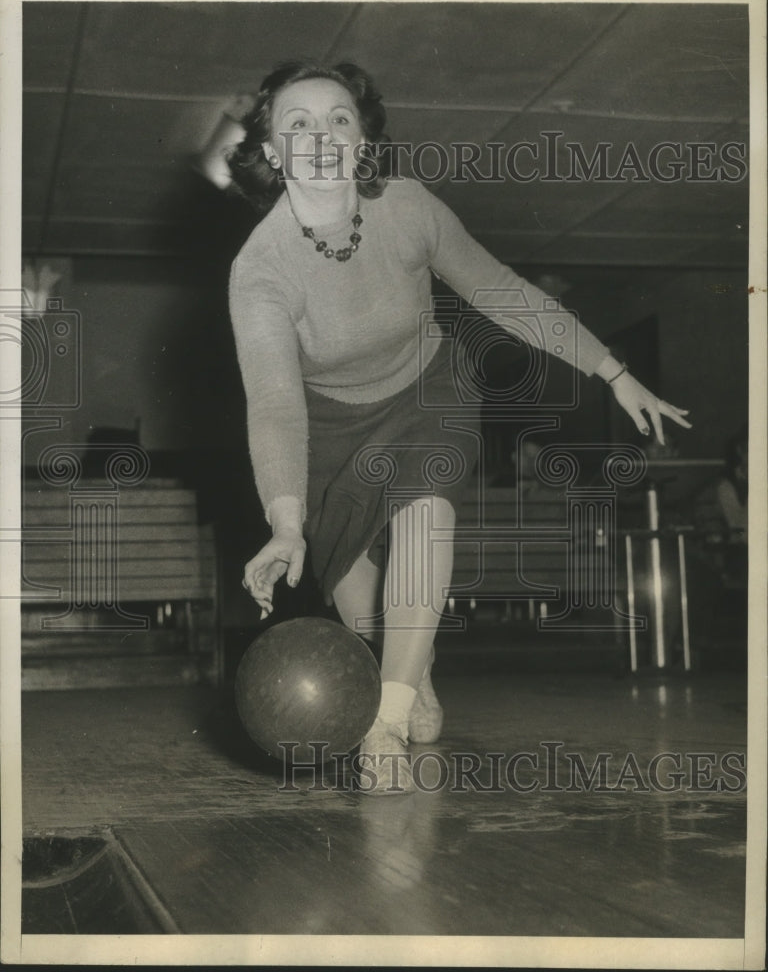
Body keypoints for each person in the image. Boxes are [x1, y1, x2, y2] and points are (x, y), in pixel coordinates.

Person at [227, 60, 692, 794]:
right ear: (273, 153)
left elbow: (501, 291)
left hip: (425, 392)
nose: (321, 136)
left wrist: (613, 370)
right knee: (359, 608)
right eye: (298, 124)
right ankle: (413, 670)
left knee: (425, 518)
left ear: (364, 142)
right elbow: (276, 405)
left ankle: (387, 717)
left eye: (339, 119)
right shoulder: (259, 273)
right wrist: (287, 526)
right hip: (328, 426)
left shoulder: (409, 209)